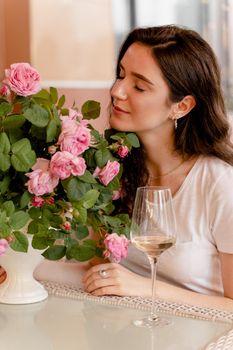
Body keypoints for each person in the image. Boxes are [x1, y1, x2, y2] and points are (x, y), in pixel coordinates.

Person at [82, 25, 233, 311]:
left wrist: (145, 289)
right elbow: (98, 267)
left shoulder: (219, 184)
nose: (117, 91)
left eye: (139, 86)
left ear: (182, 106)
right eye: (121, 75)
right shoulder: (110, 171)